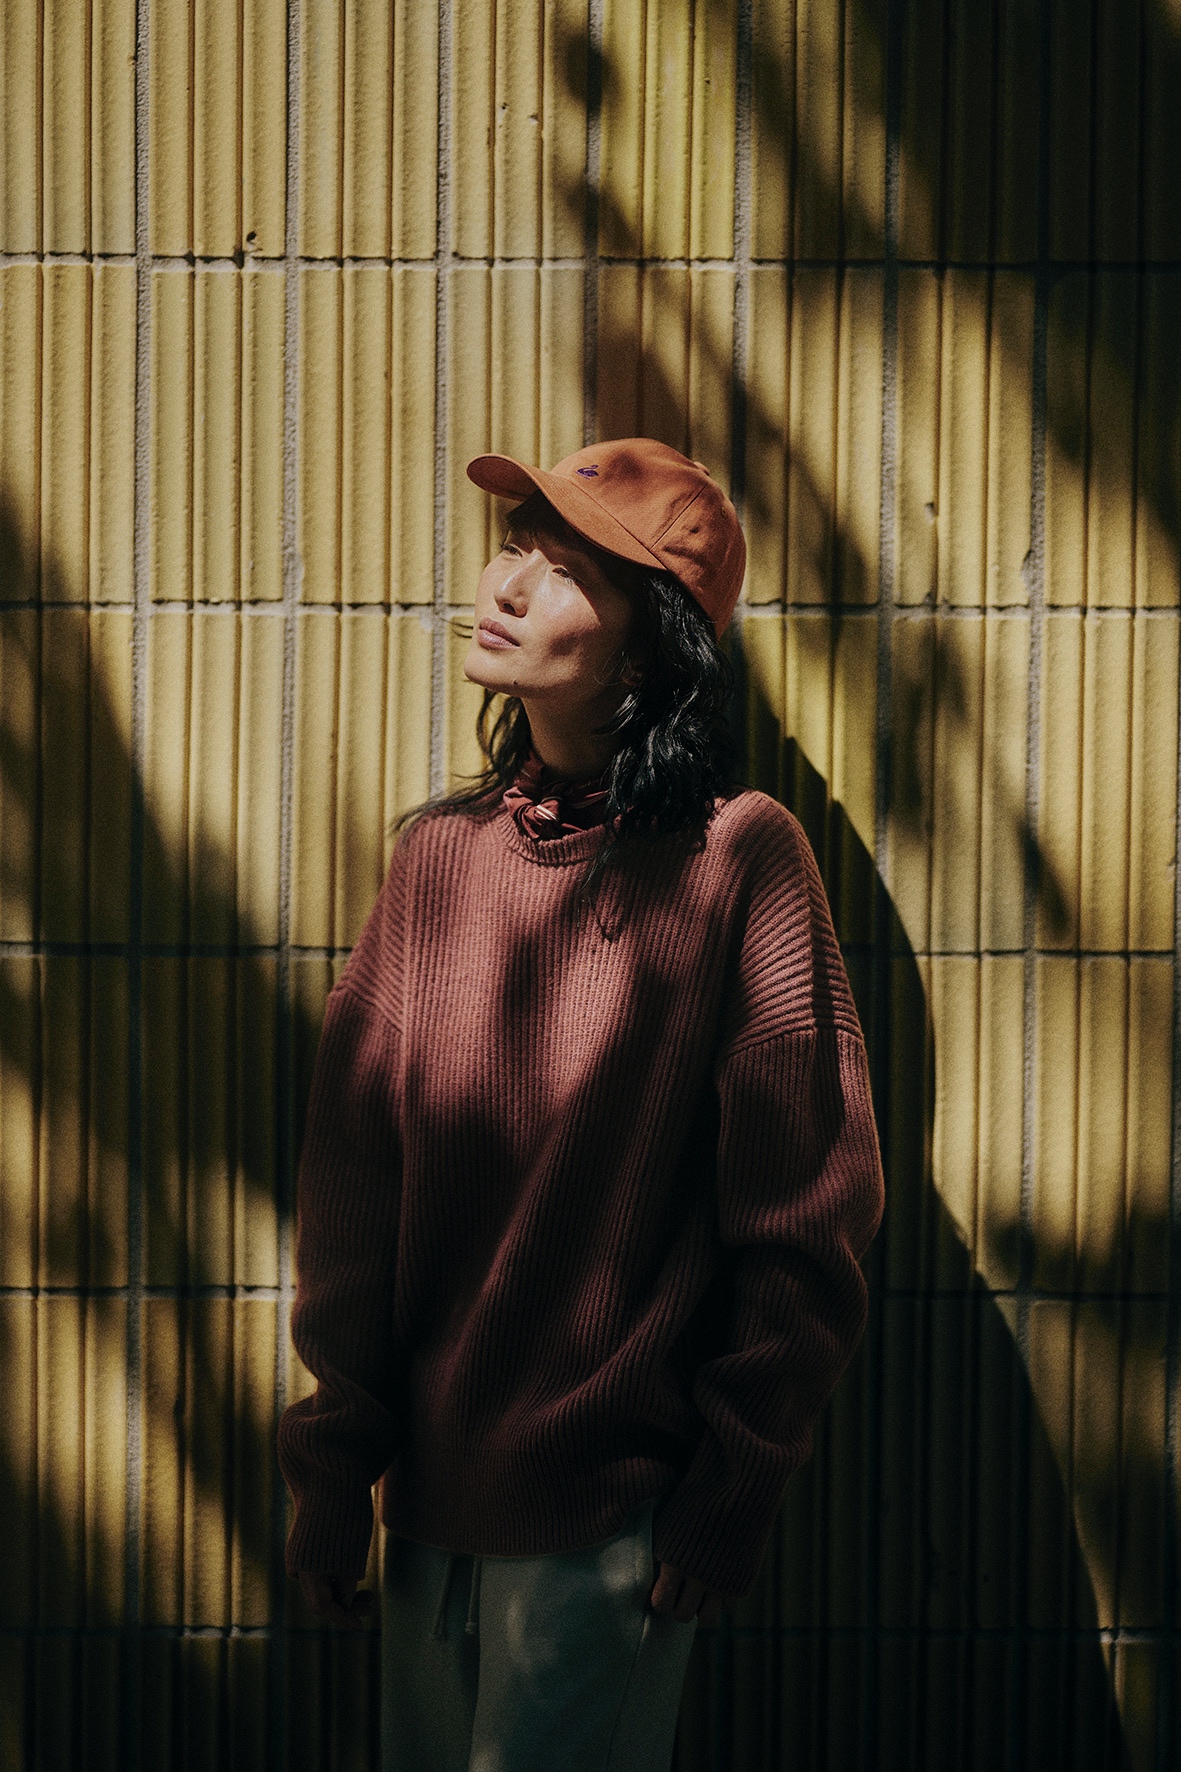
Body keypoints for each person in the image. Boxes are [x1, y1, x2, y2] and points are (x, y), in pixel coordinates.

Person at [277, 438, 885, 1771]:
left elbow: (803, 1214)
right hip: (425, 1509)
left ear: (649, 650)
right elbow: (351, 1199)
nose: (504, 585)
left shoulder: (738, 860)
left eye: (558, 576)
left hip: (615, 1530)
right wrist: (334, 1469)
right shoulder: (436, 863)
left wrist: (734, 1488)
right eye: (512, 551)